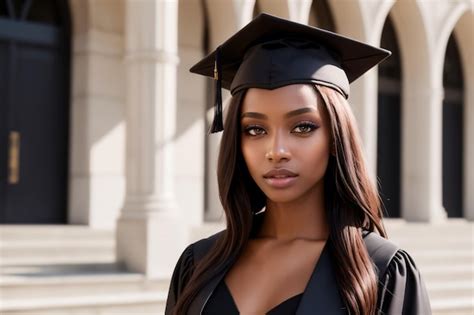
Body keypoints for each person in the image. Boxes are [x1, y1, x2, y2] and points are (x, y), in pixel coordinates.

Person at [165, 13, 431, 315]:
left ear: (335, 137)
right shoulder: (198, 264)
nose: (276, 151)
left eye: (302, 127)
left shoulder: (382, 272)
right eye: (255, 129)